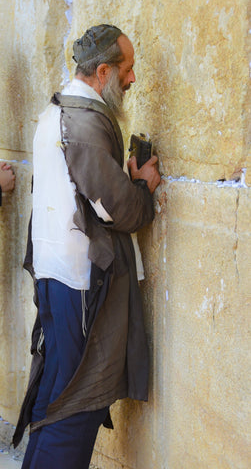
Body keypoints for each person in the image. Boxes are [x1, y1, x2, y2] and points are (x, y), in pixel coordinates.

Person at [13, 24, 161, 469]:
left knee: (56, 399)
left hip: (57, 279)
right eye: (127, 70)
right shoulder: (82, 122)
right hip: (79, 286)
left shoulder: (55, 112)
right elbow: (121, 212)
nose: (132, 79)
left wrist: (124, 179)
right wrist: (143, 186)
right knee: (77, 407)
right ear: (102, 73)